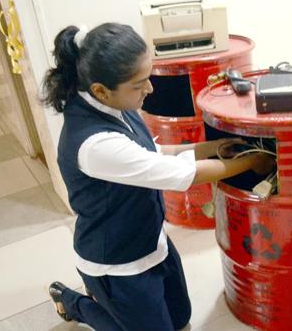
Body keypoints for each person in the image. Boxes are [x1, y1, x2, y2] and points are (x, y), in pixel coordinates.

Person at [41, 23, 274, 331]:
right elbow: (180, 175)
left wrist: (211, 147)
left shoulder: (115, 105)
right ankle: (75, 303)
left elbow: (152, 153)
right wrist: (250, 161)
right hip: (118, 263)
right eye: (139, 84)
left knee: (180, 320)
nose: (149, 89)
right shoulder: (94, 144)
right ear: (101, 89)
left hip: (150, 240)